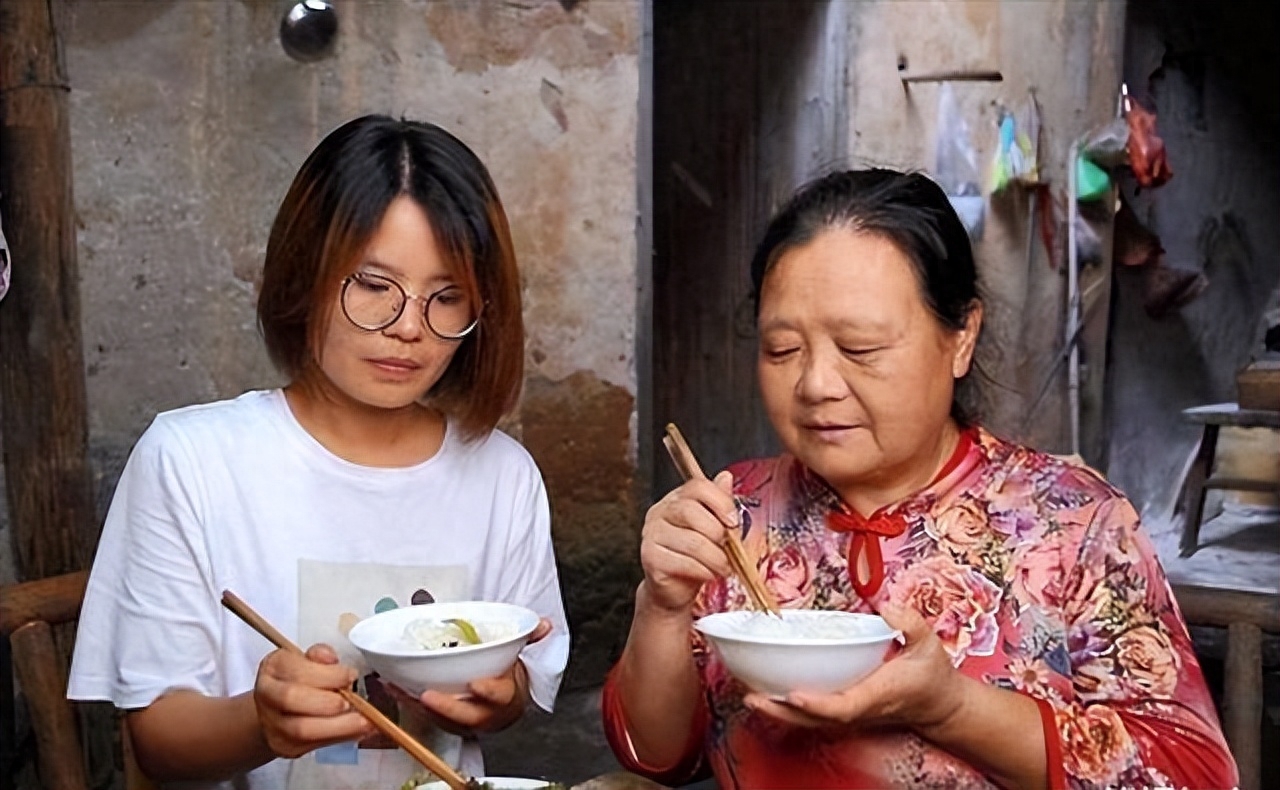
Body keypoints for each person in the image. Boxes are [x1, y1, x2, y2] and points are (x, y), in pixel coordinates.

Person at [602, 169, 1237, 789]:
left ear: (961, 338)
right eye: (782, 350)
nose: (816, 384)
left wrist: (950, 708)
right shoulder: (733, 513)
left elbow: (1191, 773)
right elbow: (657, 757)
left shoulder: (1073, 524)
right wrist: (663, 604)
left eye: (861, 349)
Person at [68, 115, 569, 790]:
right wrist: (261, 722)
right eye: (372, 286)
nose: (408, 329)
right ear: (307, 270)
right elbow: (156, 739)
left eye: (447, 297)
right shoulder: (191, 461)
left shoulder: (503, 475)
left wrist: (499, 697)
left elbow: (509, 696)